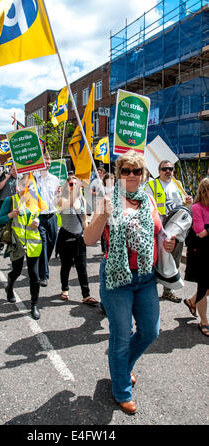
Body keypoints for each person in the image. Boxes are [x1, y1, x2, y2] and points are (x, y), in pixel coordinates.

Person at [84, 150, 176, 415]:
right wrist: (102, 215)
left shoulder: (148, 199)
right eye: (126, 171)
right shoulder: (107, 200)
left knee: (150, 331)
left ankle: (122, 367)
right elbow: (89, 240)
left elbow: (158, 234)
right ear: (119, 173)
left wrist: (167, 243)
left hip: (146, 277)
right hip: (116, 279)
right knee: (121, 336)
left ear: (144, 174)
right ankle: (121, 389)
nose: (132, 176)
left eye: (137, 171)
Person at [145, 160, 193, 303]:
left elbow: (183, 205)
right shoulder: (152, 185)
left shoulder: (177, 184)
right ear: (159, 171)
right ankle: (149, 291)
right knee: (155, 261)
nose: (168, 171)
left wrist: (188, 202)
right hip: (159, 231)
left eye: (171, 168)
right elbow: (146, 205)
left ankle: (168, 290)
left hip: (176, 231)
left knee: (174, 260)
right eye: (165, 168)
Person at [0, 175, 42, 320]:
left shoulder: (34, 201)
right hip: (17, 244)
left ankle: (34, 304)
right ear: (18, 187)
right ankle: (9, 288)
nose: (27, 189)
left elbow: (38, 216)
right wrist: (11, 214)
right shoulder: (11, 200)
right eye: (25, 186)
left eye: (30, 186)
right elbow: (0, 220)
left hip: (33, 243)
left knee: (35, 275)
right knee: (16, 271)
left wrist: (37, 221)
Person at [57, 175, 98, 305]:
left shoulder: (83, 200)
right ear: (67, 186)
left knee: (82, 266)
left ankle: (86, 295)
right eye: (71, 184)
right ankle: (64, 289)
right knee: (66, 265)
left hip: (79, 236)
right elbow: (67, 204)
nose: (74, 186)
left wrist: (87, 234)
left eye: (76, 184)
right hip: (66, 236)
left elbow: (84, 219)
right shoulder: (62, 199)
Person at [184, 177, 209, 337]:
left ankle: (191, 301)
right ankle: (204, 321)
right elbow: (200, 233)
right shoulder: (196, 208)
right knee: (203, 287)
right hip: (201, 253)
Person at [34, 154, 61, 287]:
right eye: (45, 161)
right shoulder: (33, 178)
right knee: (43, 244)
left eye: (49, 161)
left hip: (52, 216)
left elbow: (57, 199)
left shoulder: (55, 179)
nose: (48, 163)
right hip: (39, 217)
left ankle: (42, 264)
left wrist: (60, 193)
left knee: (51, 242)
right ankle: (44, 275)